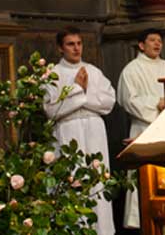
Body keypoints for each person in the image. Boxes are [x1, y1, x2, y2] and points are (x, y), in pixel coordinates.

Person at [43, 26, 116, 235]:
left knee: (97, 183)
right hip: (69, 131)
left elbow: (109, 102)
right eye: (70, 44)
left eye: (79, 43)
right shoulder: (53, 74)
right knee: (73, 179)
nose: (76, 48)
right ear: (60, 48)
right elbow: (51, 110)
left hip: (95, 131)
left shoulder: (94, 71)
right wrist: (77, 90)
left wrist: (80, 99)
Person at [117, 28, 165, 229]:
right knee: (145, 181)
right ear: (141, 45)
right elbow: (128, 100)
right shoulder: (132, 70)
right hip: (144, 129)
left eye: (159, 41)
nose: (157, 44)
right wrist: (156, 103)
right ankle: (144, 223)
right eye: (152, 40)